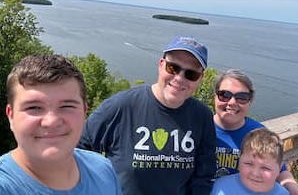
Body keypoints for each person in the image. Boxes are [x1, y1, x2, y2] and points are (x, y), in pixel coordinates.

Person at [78, 36, 216, 195]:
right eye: (173, 68)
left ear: (200, 79)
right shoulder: (120, 106)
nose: (179, 78)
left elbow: (204, 176)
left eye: (191, 74)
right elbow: (79, 149)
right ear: (161, 65)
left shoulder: (202, 116)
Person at [0, 55, 123, 195]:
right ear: (11, 116)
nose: (51, 121)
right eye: (34, 107)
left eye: (67, 106)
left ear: (84, 112)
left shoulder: (102, 169)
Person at [214, 69, 298, 194]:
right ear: (215, 96)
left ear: (250, 101)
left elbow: (279, 169)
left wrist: (293, 188)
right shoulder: (199, 128)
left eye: (242, 97)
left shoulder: (257, 135)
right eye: (224, 95)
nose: (232, 102)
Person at [211, 128, 289, 195]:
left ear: (279, 168)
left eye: (265, 168)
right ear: (239, 160)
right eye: (248, 164)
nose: (255, 174)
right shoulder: (220, 187)